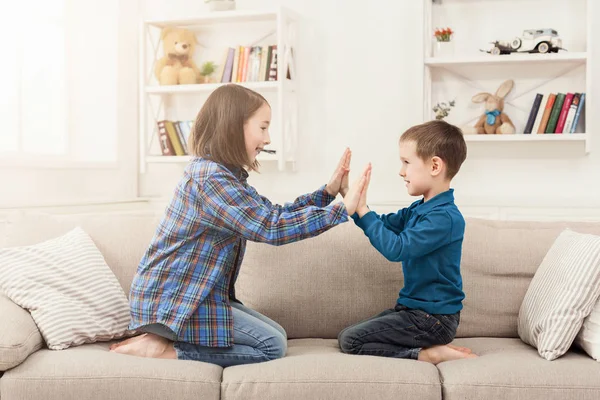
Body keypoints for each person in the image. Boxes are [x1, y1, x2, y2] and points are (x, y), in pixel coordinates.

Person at [110, 84, 368, 367]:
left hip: (199, 295)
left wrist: (328, 193)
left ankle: (162, 340)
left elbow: (272, 213)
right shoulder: (211, 180)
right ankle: (163, 349)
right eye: (263, 127)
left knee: (277, 334)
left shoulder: (224, 176)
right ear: (234, 127)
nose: (267, 139)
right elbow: (270, 227)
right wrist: (341, 210)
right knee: (272, 346)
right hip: (177, 300)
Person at [338, 120, 478, 364]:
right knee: (346, 336)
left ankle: (427, 354)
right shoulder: (420, 209)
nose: (401, 171)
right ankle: (429, 349)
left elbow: (396, 248)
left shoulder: (444, 218)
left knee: (351, 341)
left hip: (434, 320)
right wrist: (354, 200)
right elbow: (382, 224)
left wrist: (363, 210)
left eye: (406, 162)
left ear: (435, 165)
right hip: (415, 313)